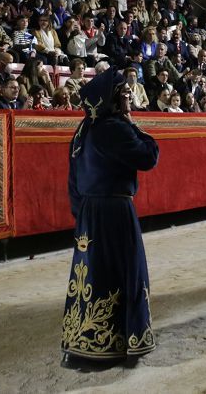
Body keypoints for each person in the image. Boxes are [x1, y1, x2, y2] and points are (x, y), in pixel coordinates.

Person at [60, 67, 159, 364]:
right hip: (115, 211)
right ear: (113, 98)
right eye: (125, 92)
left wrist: (82, 217)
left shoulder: (82, 131)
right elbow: (148, 156)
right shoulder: (114, 127)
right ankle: (125, 341)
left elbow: (73, 182)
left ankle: (87, 342)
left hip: (90, 212)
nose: (129, 96)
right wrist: (135, 125)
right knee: (126, 272)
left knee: (94, 275)